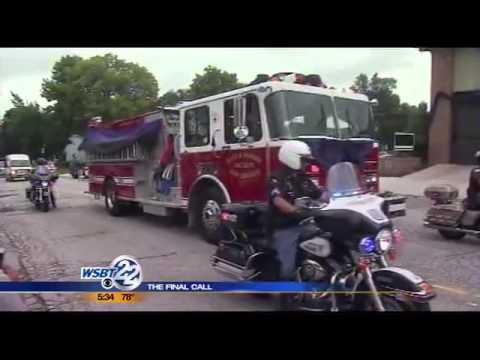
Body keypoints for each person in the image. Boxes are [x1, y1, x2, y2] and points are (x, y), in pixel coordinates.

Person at [266, 140, 324, 280]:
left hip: (305, 223)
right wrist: (294, 210)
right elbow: (278, 200)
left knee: (328, 240)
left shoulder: (302, 178)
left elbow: (320, 194)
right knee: (287, 269)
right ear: (292, 157)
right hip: (285, 226)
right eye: (304, 160)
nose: (306, 164)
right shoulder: (276, 178)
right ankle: (288, 293)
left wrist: (338, 196)